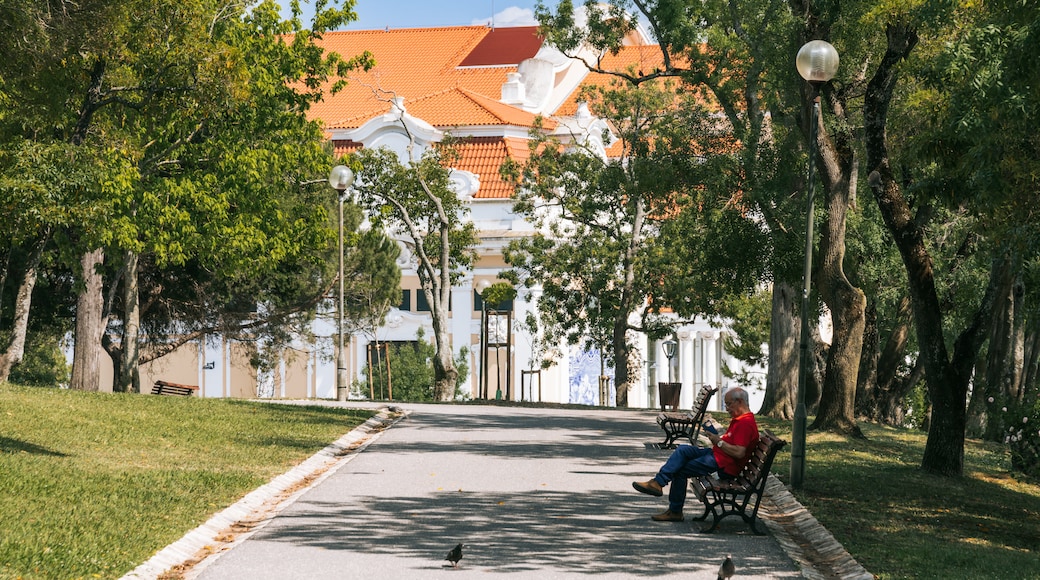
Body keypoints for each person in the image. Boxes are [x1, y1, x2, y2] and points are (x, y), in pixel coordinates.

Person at [632, 387, 759, 522]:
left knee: (680, 470)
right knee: (683, 450)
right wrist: (716, 438)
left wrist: (718, 442)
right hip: (717, 456)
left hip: (723, 465)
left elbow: (739, 453)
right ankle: (657, 483)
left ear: (739, 401)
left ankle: (674, 511)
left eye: (728, 404)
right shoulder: (740, 419)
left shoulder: (745, 423)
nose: (726, 408)